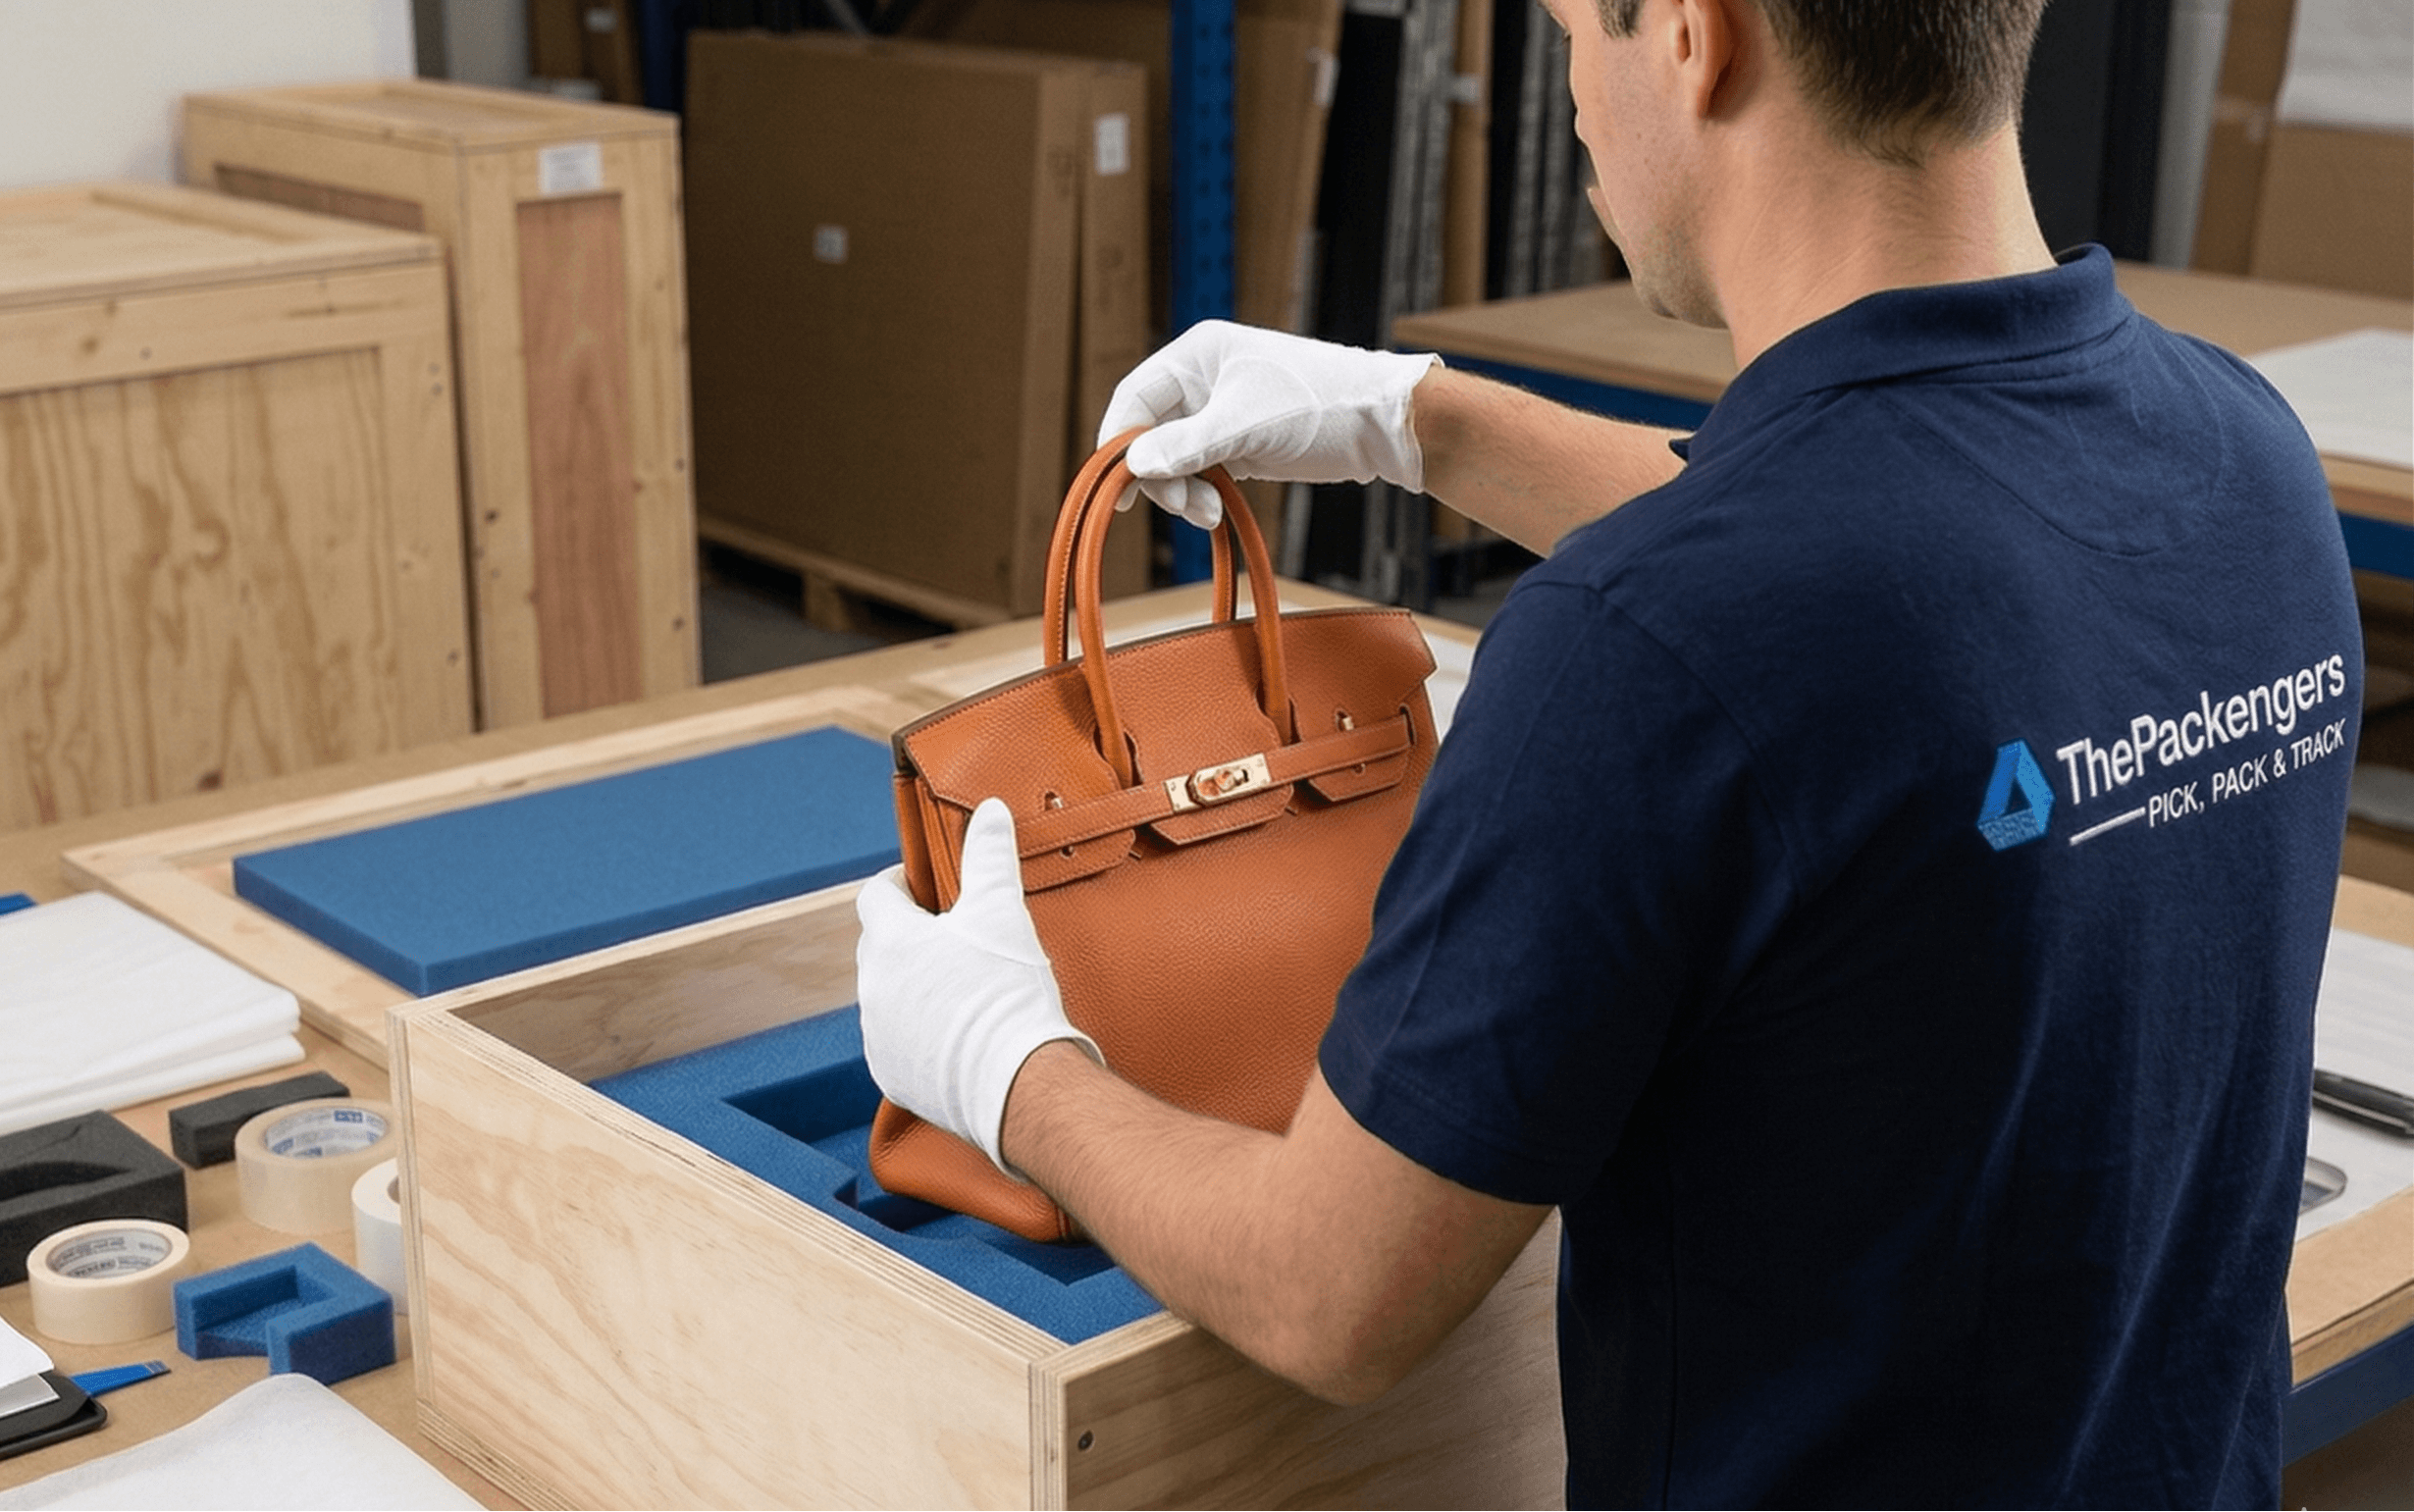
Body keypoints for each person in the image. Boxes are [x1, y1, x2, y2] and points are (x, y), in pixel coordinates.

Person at [855, 0, 2364, 1502]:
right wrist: (1417, 419)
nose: (1572, 85)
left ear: (1696, 37)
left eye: (1574, 24)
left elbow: (1328, 1295)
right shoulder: (2248, 455)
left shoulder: (1629, 652)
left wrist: (1004, 1062)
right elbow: (1890, 544)